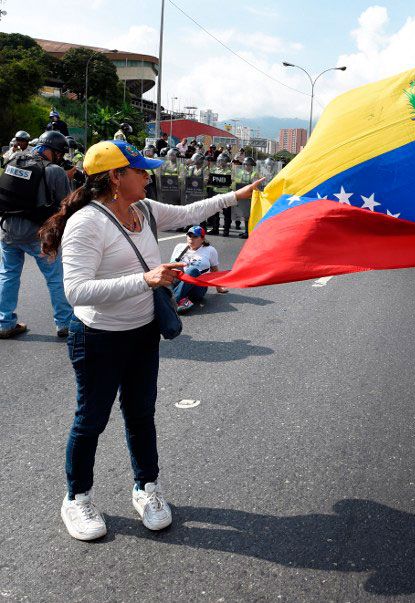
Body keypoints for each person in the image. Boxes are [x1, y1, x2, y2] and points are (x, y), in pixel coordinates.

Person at [37, 139, 260, 541]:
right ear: (115, 177)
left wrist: (237, 195)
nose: (147, 175)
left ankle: (146, 488)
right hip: (98, 338)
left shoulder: (143, 209)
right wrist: (145, 279)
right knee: (91, 420)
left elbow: (191, 211)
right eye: (139, 170)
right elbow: (77, 291)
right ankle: (77, 497)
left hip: (142, 333)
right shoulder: (87, 223)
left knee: (141, 414)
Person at [0, 131, 74, 339]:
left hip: (8, 230)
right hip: (38, 234)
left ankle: (4, 322)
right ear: (51, 150)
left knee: (8, 275)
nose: (60, 157)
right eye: (59, 153)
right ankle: (65, 323)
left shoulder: (14, 159)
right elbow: (66, 205)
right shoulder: (55, 171)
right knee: (56, 277)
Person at [170, 226, 228, 312]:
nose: (191, 239)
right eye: (189, 236)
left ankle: (171, 302)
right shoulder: (179, 247)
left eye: (195, 237)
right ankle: (181, 300)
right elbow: (171, 267)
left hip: (197, 287)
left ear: (202, 239)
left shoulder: (210, 250)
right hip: (179, 283)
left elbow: (214, 269)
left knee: (192, 270)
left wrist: (219, 288)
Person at [207, 153, 233, 235]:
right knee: (215, 212)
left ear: (226, 162)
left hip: (225, 194)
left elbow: (231, 182)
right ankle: (215, 229)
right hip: (216, 193)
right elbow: (210, 180)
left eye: (222, 161)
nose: (220, 162)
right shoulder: (214, 170)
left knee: (227, 213)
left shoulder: (229, 171)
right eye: (219, 160)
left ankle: (226, 230)